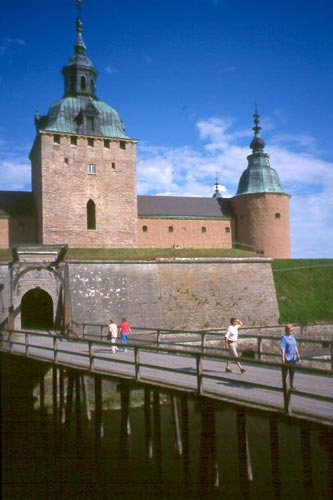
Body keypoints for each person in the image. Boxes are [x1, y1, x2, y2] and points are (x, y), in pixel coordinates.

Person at [280, 324, 300, 390]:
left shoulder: (293, 337)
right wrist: (283, 358)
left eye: (292, 330)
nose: (292, 331)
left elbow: (295, 346)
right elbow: (283, 348)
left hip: (293, 357)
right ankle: (284, 385)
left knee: (292, 372)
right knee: (285, 373)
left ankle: (291, 385)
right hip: (287, 358)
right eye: (290, 330)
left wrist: (297, 353)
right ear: (286, 330)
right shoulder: (284, 338)